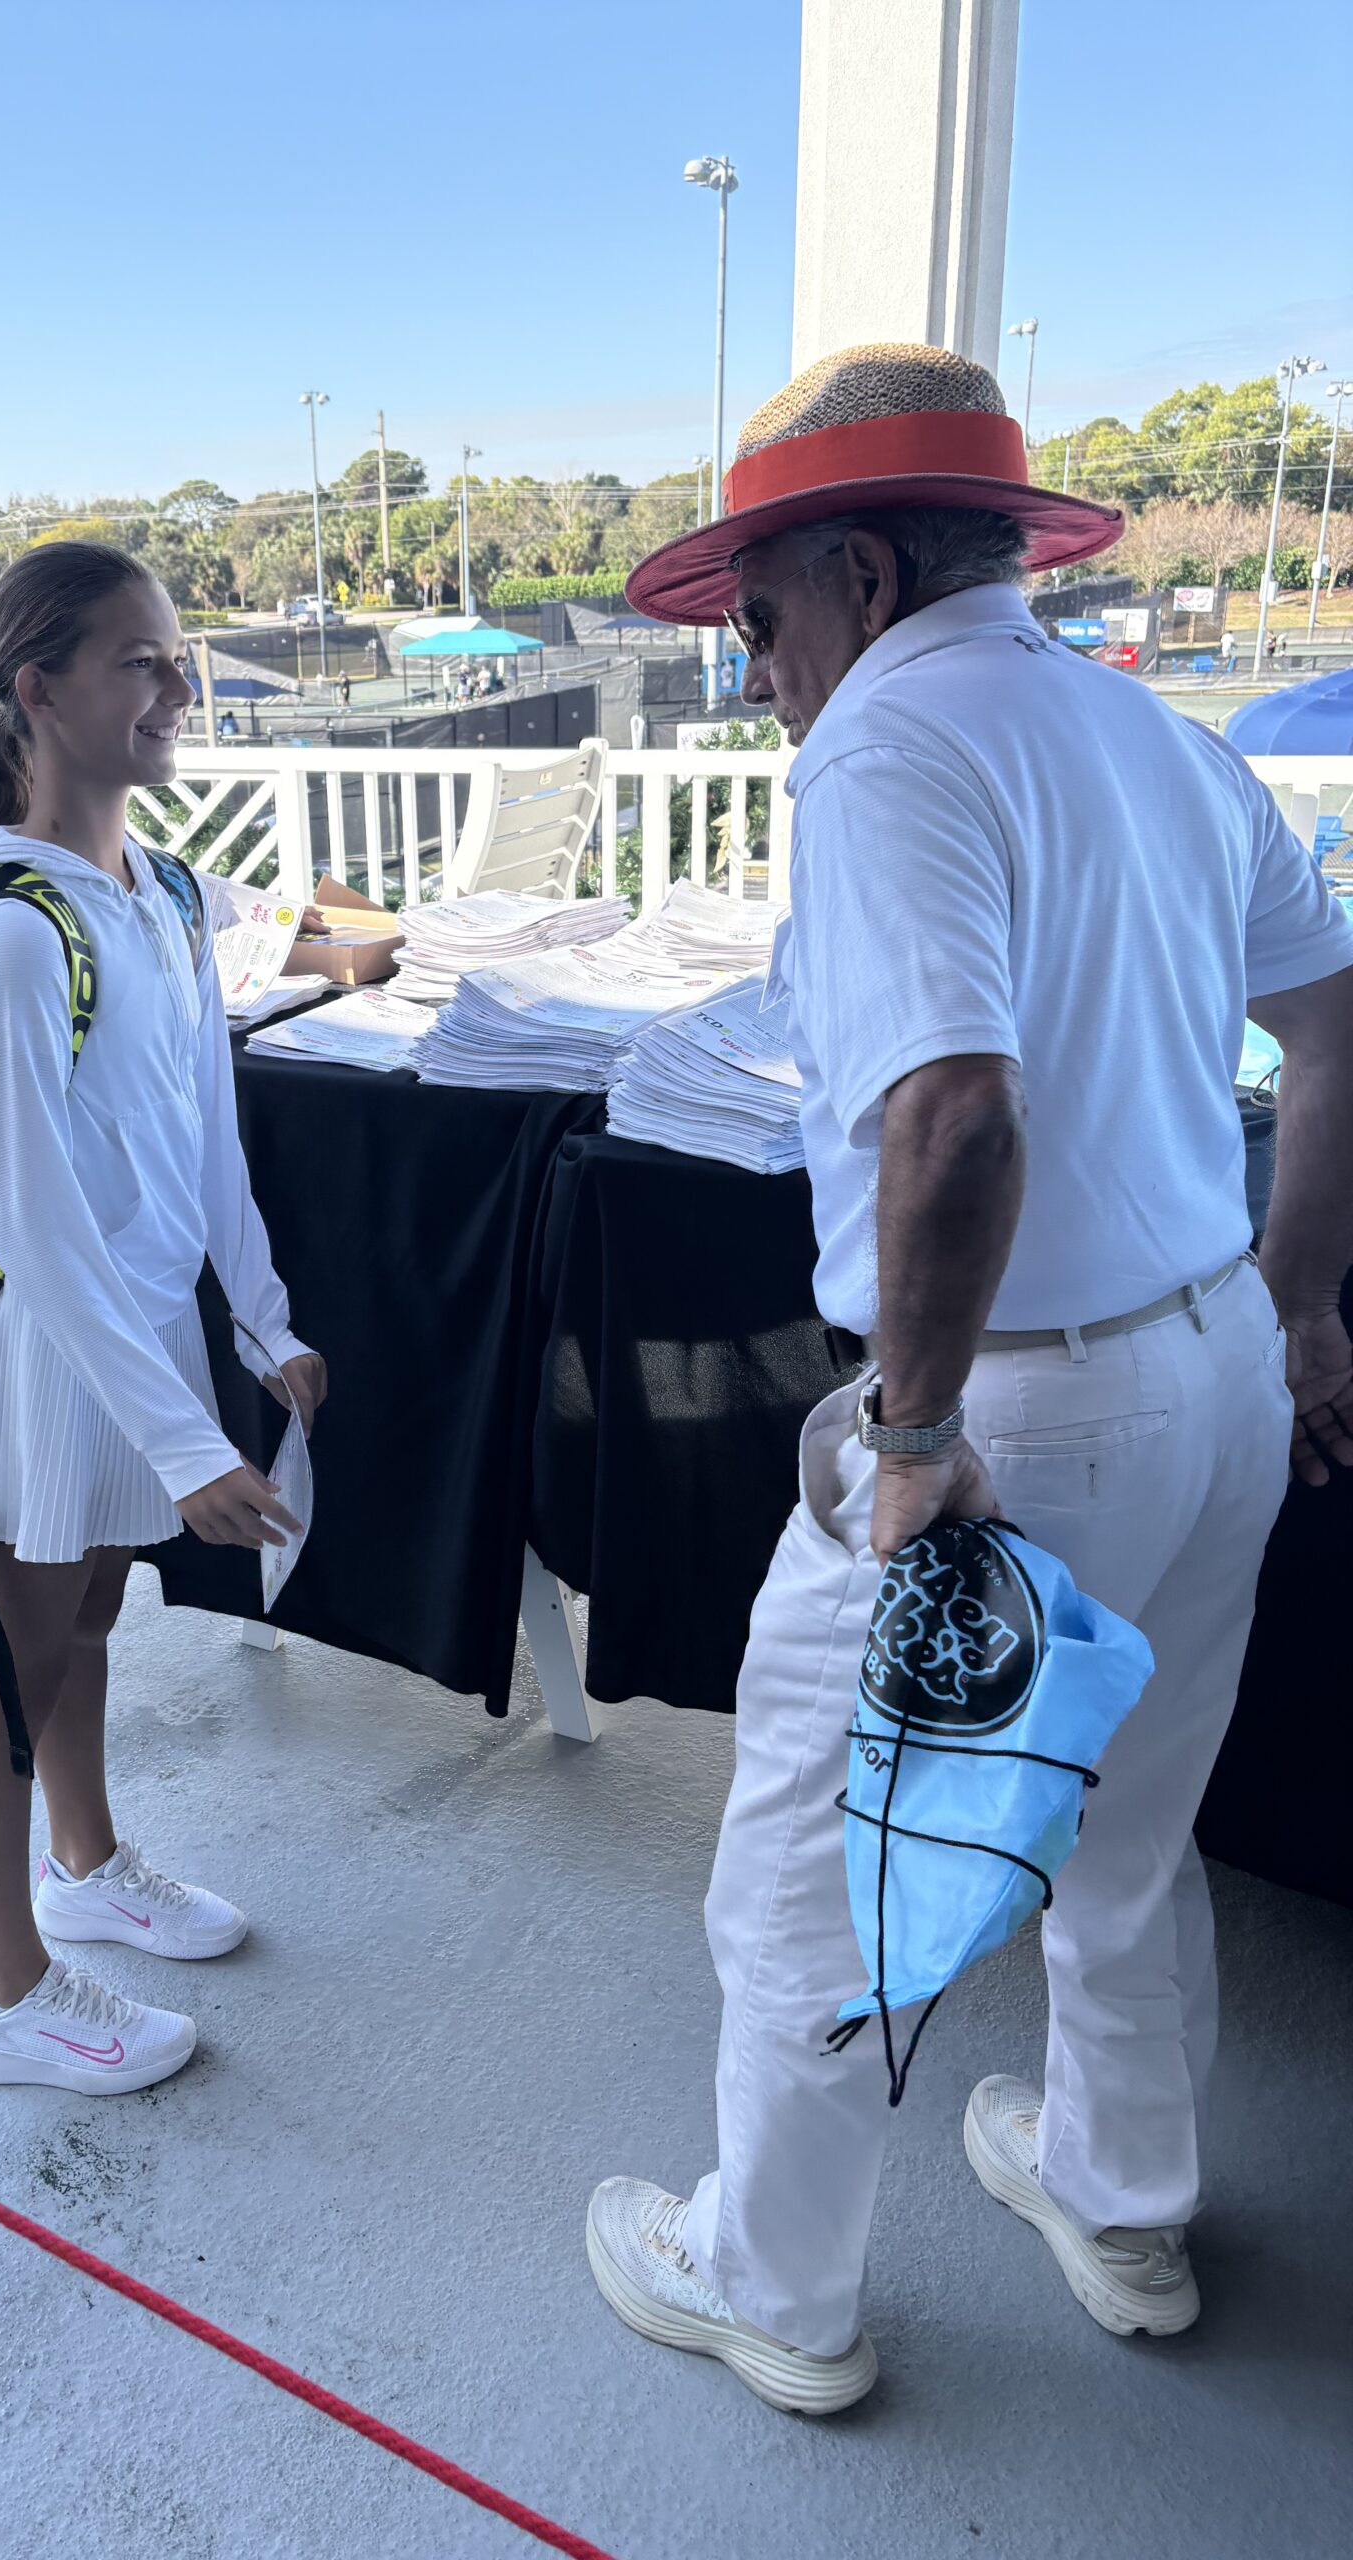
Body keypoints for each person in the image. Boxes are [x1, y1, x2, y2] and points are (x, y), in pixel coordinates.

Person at [589, 344, 1353, 2415]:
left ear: (850, 569)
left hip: (1009, 1416)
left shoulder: (882, 748)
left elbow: (951, 1115)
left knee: (815, 1879)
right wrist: (1299, 1294)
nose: (756, 671)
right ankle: (1122, 2198)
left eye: (756, 620)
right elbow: (1337, 1011)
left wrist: (912, 1433)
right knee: (1134, 1825)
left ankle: (778, 2281)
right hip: (1212, 1372)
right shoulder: (1159, 733)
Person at [0, 541, 327, 2098]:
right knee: (9, 1670)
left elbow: (207, 1137)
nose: (180, 689)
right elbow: (32, 1228)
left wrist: (260, 1323)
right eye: (140, 664)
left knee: (86, 1626)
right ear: (38, 691)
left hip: (147, 1335)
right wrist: (178, 1443)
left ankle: (84, 1863)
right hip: (49, 1360)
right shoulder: (10, 938)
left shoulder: (161, 895)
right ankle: (3, 1990)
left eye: (182, 658)